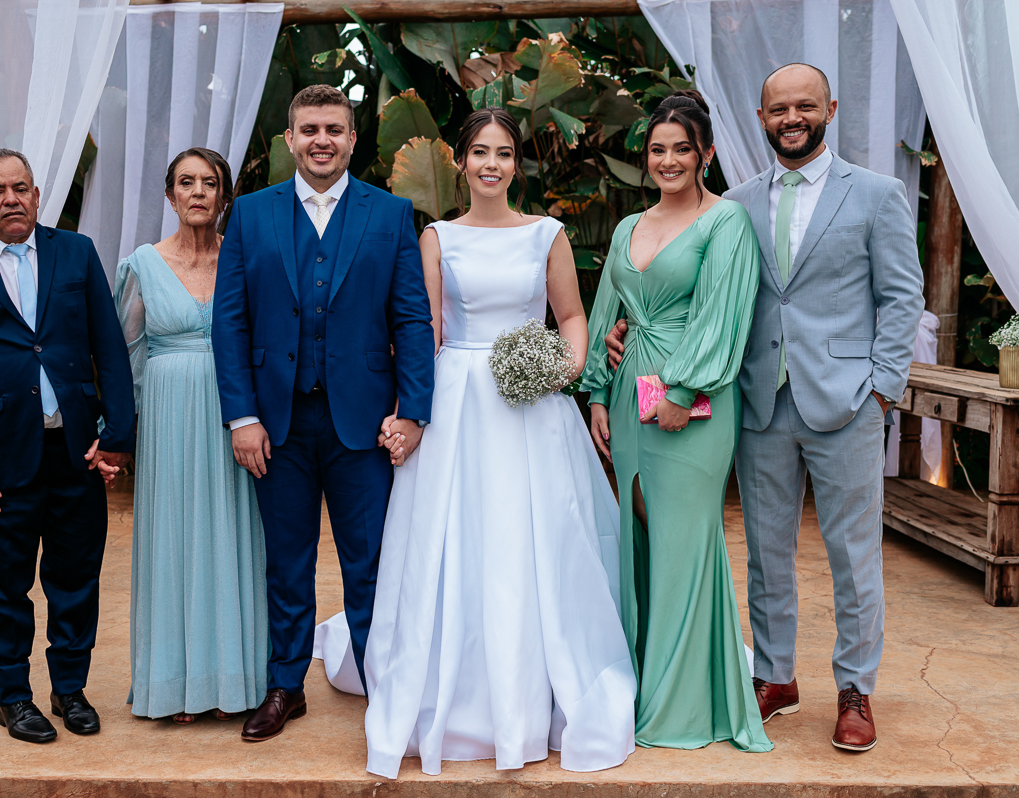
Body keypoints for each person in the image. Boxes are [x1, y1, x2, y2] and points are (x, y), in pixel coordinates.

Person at [606, 66, 924, 752]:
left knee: (852, 553)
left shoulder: (877, 194)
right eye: (779, 107)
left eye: (805, 105)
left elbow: (902, 297)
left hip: (846, 402)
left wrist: (881, 389)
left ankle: (855, 688)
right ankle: (775, 677)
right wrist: (631, 328)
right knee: (767, 553)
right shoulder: (733, 205)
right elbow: (693, 290)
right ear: (759, 115)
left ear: (829, 109)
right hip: (754, 402)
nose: (792, 117)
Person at [352, 107, 636, 778]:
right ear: (460, 161)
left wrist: (560, 370)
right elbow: (430, 331)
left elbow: (571, 318)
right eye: (479, 151)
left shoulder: (547, 234)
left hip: (531, 404)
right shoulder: (437, 238)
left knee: (533, 538)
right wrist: (407, 413)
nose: (491, 164)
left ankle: (539, 685)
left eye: (503, 153)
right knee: (456, 538)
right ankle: (455, 691)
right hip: (457, 400)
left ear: (517, 164)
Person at [211, 85, 435, 743]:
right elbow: (229, 323)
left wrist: (414, 411)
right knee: (288, 559)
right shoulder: (250, 215)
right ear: (289, 139)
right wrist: (240, 417)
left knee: (370, 561)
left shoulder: (390, 214)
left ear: (352, 139)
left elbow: (412, 319)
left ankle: (380, 684)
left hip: (362, 425)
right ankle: (286, 686)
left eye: (334, 129)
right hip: (277, 424)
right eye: (309, 129)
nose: (321, 141)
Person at [583, 91, 772, 753]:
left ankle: (681, 704)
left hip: (696, 402)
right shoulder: (627, 227)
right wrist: (598, 395)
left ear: (706, 154)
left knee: (687, 543)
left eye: (681, 149)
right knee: (642, 540)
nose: (668, 160)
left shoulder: (727, 223)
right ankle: (644, 678)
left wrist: (683, 389)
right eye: (658, 149)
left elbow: (726, 314)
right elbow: (608, 310)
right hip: (632, 394)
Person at [0, 149, 134, 743]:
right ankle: (13, 697)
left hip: (75, 451)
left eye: (20, 188)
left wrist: (116, 437)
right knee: (4, 583)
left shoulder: (77, 253)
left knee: (76, 577)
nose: (10, 199)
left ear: (38, 195)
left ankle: (70, 688)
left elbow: (110, 350)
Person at [114, 148, 268, 724]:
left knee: (235, 536)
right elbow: (125, 353)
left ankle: (237, 678)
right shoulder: (141, 264)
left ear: (224, 194)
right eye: (186, 182)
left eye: (210, 183)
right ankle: (176, 684)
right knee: (175, 540)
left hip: (238, 418)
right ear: (169, 194)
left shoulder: (245, 258)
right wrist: (121, 435)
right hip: (170, 418)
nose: (198, 192)